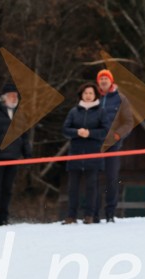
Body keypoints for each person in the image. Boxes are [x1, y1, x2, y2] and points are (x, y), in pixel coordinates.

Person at [0, 82, 32, 226]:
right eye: (11, 96)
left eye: (16, 96)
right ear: (3, 97)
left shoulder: (20, 114)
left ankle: (3, 217)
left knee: (8, 189)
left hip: (13, 157)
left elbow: (24, 136)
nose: (14, 98)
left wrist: (27, 154)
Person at [62, 82, 109, 224]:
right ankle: (71, 216)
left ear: (95, 95)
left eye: (90, 93)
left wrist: (90, 133)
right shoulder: (73, 111)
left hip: (93, 154)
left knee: (91, 187)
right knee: (72, 188)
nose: (88, 96)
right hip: (75, 154)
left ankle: (90, 215)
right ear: (81, 95)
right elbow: (65, 129)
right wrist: (77, 132)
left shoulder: (101, 111)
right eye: (85, 93)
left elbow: (105, 131)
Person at [96, 69, 133, 222]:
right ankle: (93, 213)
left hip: (113, 145)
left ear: (111, 81)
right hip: (95, 144)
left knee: (111, 178)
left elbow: (129, 122)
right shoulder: (93, 97)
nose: (104, 81)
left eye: (106, 78)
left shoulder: (120, 98)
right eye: (101, 79)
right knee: (94, 179)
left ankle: (110, 213)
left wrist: (117, 135)